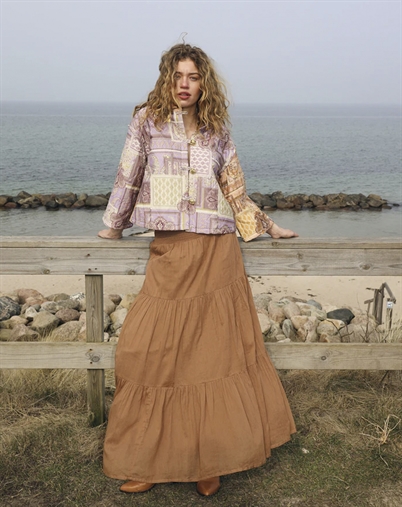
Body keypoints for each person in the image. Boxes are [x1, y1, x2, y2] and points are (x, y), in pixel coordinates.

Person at [98, 43, 297, 497]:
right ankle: (147, 460)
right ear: (166, 79)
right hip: (171, 251)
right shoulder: (146, 121)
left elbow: (234, 189)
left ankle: (210, 461)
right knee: (148, 353)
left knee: (211, 356)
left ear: (204, 82)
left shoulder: (216, 129)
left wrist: (270, 226)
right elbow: (128, 174)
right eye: (177, 76)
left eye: (192, 76)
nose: (184, 84)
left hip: (217, 251)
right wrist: (113, 225)